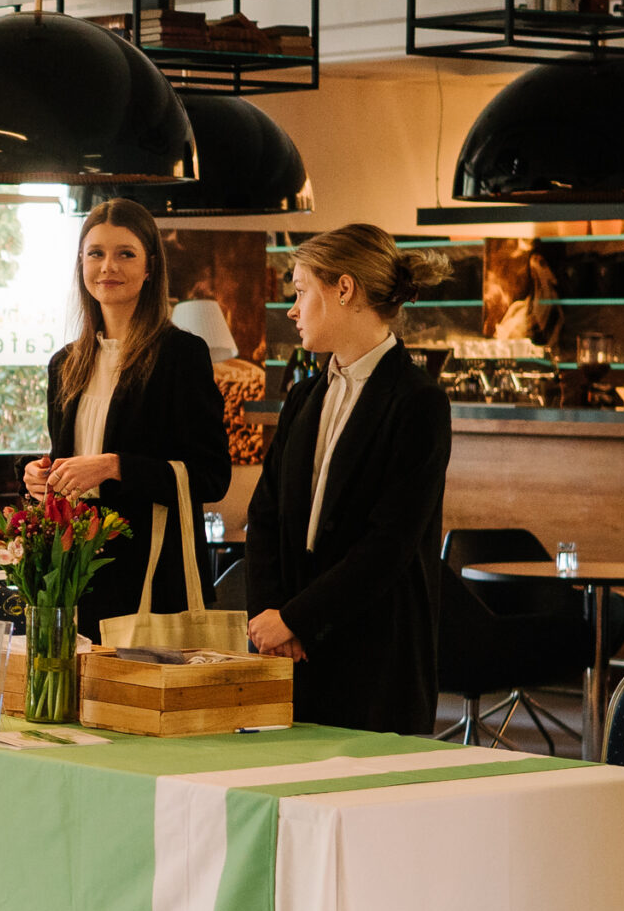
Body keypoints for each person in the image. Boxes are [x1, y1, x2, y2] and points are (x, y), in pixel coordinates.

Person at [242, 224, 453, 732]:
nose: (292, 310)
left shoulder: (418, 401)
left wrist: (296, 620)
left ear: (344, 288)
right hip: (294, 659)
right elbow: (265, 515)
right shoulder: (302, 397)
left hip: (378, 660)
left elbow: (389, 545)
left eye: (299, 291)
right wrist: (273, 618)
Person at [24, 197, 230, 638]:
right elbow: (68, 464)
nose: (107, 267)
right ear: (80, 264)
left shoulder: (180, 355)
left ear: (150, 267)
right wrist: (43, 477)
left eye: (125, 254)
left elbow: (212, 477)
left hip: (153, 578)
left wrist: (114, 466)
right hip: (79, 572)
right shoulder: (65, 364)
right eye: (95, 253)